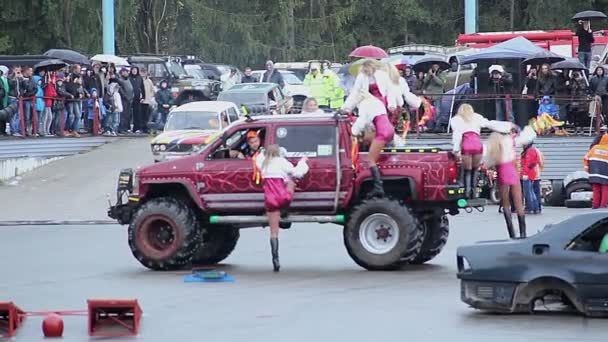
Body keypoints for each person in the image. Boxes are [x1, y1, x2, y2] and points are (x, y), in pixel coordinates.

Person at [255, 144, 309, 272]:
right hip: (283, 197)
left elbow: (258, 158)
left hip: (270, 200)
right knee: (290, 181)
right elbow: (298, 173)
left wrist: (261, 151)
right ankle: (285, 211)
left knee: (274, 233)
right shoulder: (282, 162)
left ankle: (275, 259)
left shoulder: (263, 164)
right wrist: (303, 161)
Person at [484, 125, 537, 239]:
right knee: (519, 203)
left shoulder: (493, 146)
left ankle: (512, 233)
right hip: (512, 171)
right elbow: (524, 136)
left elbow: (487, 162)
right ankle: (523, 233)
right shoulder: (510, 141)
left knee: (506, 204)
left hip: (502, 173)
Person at [450, 103, 512, 199]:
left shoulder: (456, 120)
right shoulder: (477, 117)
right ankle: (474, 193)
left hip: (466, 145)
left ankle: (467, 192)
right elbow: (490, 124)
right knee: (475, 170)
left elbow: (457, 136)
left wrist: (456, 150)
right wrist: (507, 126)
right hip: (477, 145)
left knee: (467, 171)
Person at [341, 88, 394, 198]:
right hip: (388, 129)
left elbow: (362, 121)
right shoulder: (376, 102)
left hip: (382, 131)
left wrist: (353, 132)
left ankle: (378, 187)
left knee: (370, 160)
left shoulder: (365, 104)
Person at [584, 133, 608, 209]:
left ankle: (595, 205)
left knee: (596, 188)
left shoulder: (594, 148)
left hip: (594, 172)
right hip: (605, 173)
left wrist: (587, 169)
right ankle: (603, 205)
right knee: (605, 189)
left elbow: (586, 158)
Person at [520, 142, 542, 214]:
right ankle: (535, 208)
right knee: (531, 192)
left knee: (528, 192)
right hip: (531, 173)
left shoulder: (529, 151)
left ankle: (530, 208)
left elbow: (528, 163)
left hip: (528, 174)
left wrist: (525, 173)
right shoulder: (531, 150)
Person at [117, 68, 134, 134]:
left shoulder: (128, 80)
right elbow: (121, 90)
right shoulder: (120, 80)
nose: (125, 73)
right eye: (124, 72)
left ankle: (126, 128)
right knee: (123, 115)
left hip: (129, 100)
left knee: (128, 115)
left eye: (126, 72)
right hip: (124, 100)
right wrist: (125, 96)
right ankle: (121, 128)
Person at [129, 66, 146, 133]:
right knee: (129, 114)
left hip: (137, 98)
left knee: (137, 114)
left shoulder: (139, 78)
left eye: (135, 70)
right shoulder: (129, 78)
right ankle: (128, 127)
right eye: (133, 70)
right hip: (130, 98)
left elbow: (142, 88)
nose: (134, 71)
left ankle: (137, 128)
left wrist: (143, 97)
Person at [141, 68, 155, 133]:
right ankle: (140, 128)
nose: (143, 74)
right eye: (142, 72)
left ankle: (145, 128)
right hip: (140, 100)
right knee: (140, 115)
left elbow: (152, 90)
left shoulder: (149, 81)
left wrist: (150, 96)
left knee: (146, 115)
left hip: (147, 101)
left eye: (144, 72)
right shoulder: (139, 80)